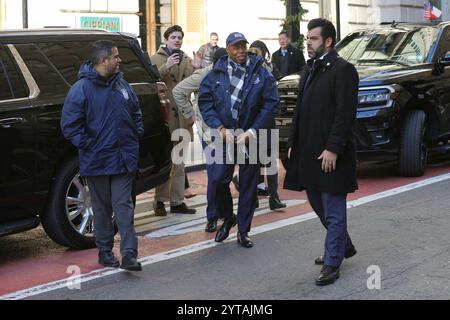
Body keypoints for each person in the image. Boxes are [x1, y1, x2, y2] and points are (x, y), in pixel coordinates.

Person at [283, 18, 358, 286]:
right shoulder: (311, 69)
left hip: (331, 154)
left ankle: (332, 262)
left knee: (334, 209)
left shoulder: (344, 70)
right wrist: (293, 141)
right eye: (307, 39)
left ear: (328, 41)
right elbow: (300, 110)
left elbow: (344, 114)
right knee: (318, 204)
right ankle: (343, 245)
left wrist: (333, 149)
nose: (308, 43)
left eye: (313, 39)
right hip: (309, 152)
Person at [60, 40, 142, 271]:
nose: (120, 60)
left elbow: (136, 111)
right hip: (97, 161)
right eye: (115, 56)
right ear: (103, 60)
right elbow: (69, 126)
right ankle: (105, 252)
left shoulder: (122, 84)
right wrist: (90, 145)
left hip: (124, 158)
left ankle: (129, 255)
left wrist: (137, 134)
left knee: (123, 206)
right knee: (103, 208)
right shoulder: (81, 89)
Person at [198, 32, 279, 248]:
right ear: (228, 49)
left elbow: (271, 104)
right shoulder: (216, 73)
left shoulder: (261, 73)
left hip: (249, 137)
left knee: (248, 185)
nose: (241, 50)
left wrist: (252, 131)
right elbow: (205, 102)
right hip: (224, 136)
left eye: (243, 46)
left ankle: (243, 230)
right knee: (217, 180)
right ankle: (228, 216)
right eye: (236, 47)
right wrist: (219, 127)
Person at [173, 48, 228, 233]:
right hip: (210, 133)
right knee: (215, 175)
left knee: (224, 175)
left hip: (231, 132)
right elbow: (178, 91)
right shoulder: (204, 74)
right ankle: (212, 216)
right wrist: (191, 115)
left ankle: (222, 211)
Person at [150, 25, 201, 216]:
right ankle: (159, 202)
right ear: (166, 39)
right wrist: (166, 67)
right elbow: (151, 83)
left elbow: (193, 83)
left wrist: (196, 67)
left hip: (182, 117)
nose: (177, 40)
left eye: (180, 37)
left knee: (179, 163)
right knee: (165, 162)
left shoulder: (186, 59)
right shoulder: (154, 59)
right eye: (173, 37)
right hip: (164, 118)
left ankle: (177, 201)